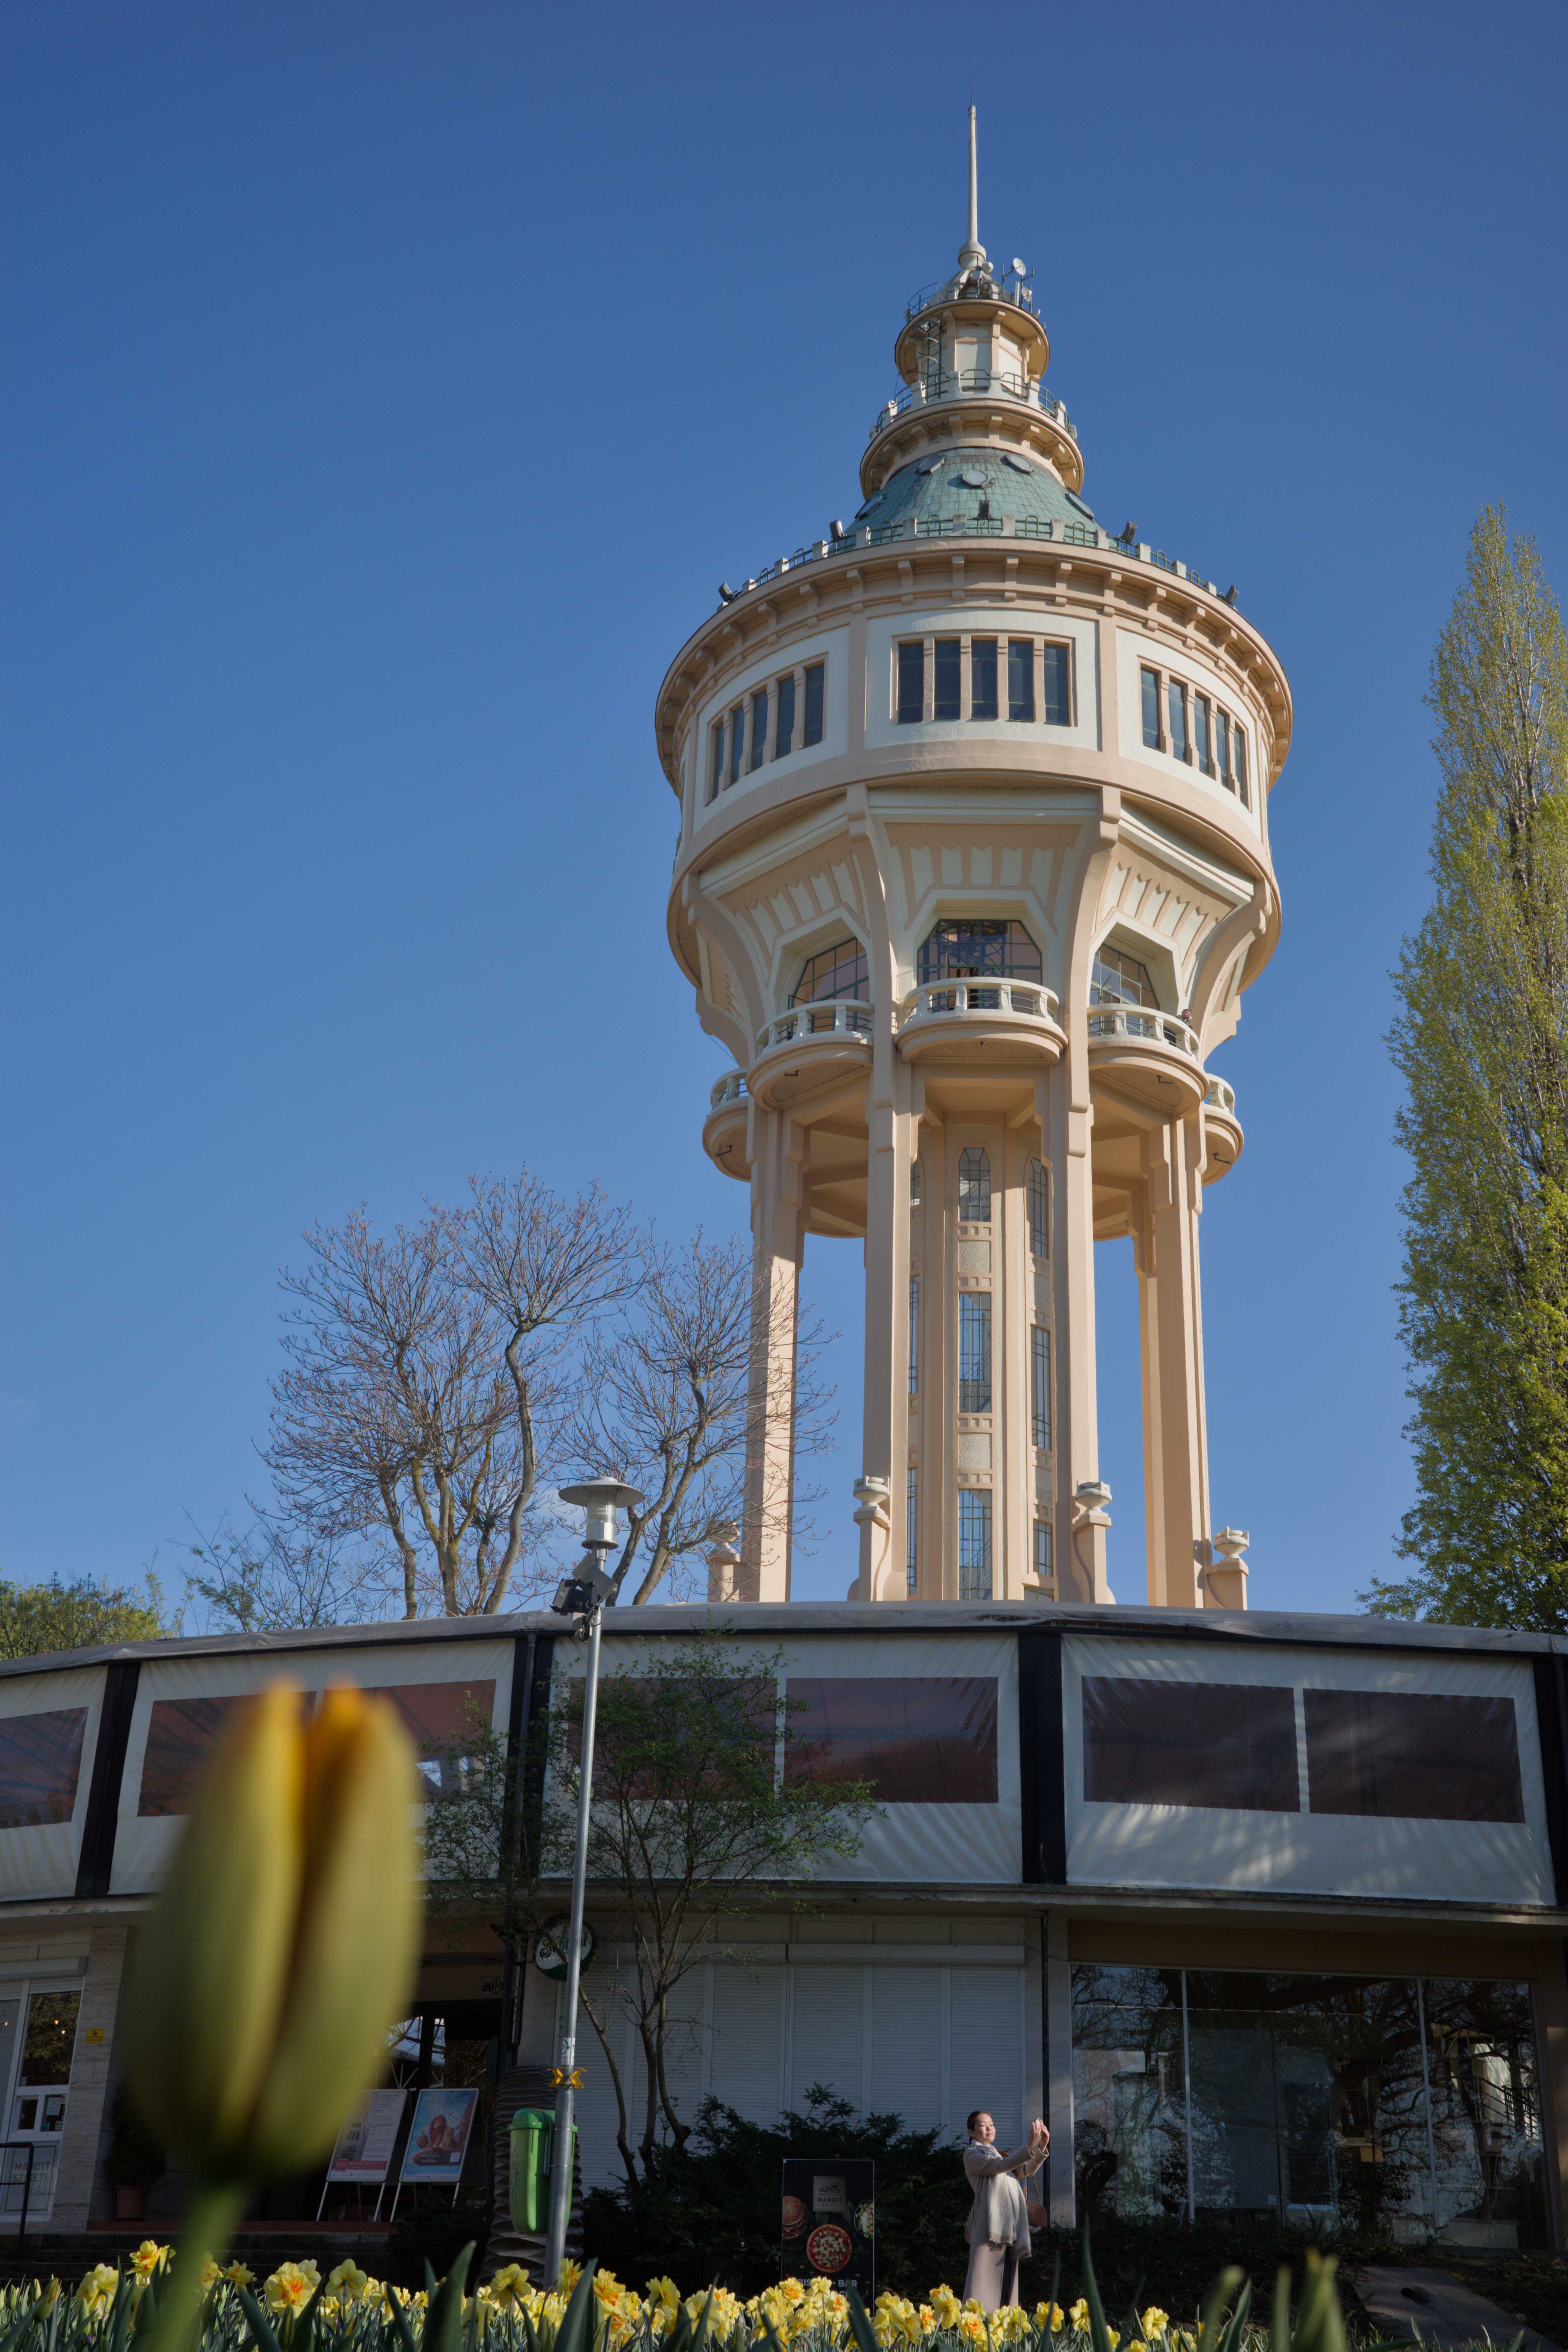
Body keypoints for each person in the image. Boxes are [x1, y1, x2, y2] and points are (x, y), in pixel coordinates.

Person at [962, 2109, 1048, 2311]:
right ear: (971, 2132)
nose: (989, 2128)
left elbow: (1025, 2170)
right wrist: (1030, 2146)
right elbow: (1001, 2166)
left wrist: (1041, 2146)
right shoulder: (972, 2154)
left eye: (992, 2124)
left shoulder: (997, 2154)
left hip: (1009, 2226)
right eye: (983, 2125)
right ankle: (976, 2325)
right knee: (982, 2281)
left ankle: (1003, 2325)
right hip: (988, 2226)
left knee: (1007, 2284)